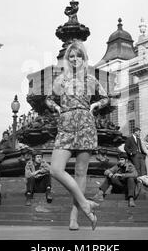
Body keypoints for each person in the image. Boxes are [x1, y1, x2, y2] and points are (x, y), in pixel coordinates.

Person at [45, 40, 109, 231]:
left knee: (81, 173)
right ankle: (85, 204)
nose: (74, 59)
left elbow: (106, 98)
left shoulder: (91, 80)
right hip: (65, 125)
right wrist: (57, 108)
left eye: (78, 56)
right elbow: (48, 98)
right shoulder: (60, 80)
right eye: (71, 56)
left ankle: (74, 218)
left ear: (83, 58)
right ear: (68, 58)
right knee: (55, 169)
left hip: (85, 125)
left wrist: (94, 105)